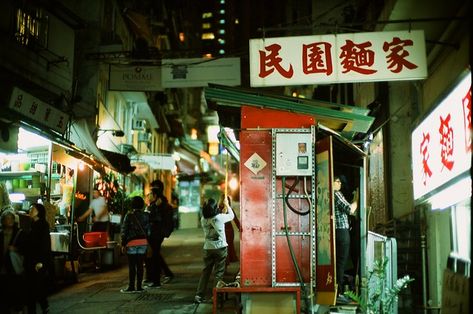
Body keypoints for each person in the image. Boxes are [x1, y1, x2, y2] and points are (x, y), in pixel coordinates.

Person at [194, 195, 235, 304]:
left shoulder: (203, 219)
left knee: (205, 272)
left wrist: (223, 210)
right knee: (218, 273)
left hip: (208, 248)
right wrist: (227, 205)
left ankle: (199, 295)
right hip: (220, 248)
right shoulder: (219, 218)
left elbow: (217, 215)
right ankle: (215, 296)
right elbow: (231, 216)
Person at [333, 175, 358, 303]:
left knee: (339, 262)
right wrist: (358, 198)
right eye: (337, 181)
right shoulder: (336, 194)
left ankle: (338, 291)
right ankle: (338, 293)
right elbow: (350, 209)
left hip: (337, 232)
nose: (339, 184)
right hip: (342, 231)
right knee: (341, 262)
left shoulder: (332, 195)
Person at [25, 203, 53, 314]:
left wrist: (40, 261)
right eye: (30, 209)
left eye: (33, 209)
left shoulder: (42, 225)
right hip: (31, 260)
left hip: (39, 261)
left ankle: (43, 306)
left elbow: (44, 244)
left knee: (36, 287)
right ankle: (40, 307)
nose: (31, 211)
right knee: (33, 287)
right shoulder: (32, 225)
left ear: (39, 212)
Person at [145, 187, 174, 288]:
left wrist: (152, 208)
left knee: (154, 257)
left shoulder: (158, 206)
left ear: (155, 195)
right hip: (157, 234)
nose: (148, 196)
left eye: (150, 194)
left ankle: (156, 280)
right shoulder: (159, 205)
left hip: (155, 234)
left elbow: (154, 218)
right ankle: (155, 277)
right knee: (154, 255)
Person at [120, 196, 150, 293]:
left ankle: (131, 286)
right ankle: (139, 287)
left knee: (132, 266)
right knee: (140, 265)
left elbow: (124, 230)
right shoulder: (146, 215)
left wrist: (123, 243)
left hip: (131, 243)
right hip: (143, 243)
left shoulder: (129, 216)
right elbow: (149, 230)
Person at [0, 210, 27, 313]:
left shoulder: (19, 233)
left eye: (11, 218)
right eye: (7, 219)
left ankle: (18, 309)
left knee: (16, 291)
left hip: (14, 268)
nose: (9, 220)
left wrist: (16, 249)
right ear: (3, 221)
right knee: (5, 293)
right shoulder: (1, 234)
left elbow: (26, 249)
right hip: (3, 268)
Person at [222, 195, 240, 266]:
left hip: (225, 230)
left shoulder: (219, 209)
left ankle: (226, 262)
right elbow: (235, 219)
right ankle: (227, 261)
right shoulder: (227, 209)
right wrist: (239, 227)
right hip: (227, 230)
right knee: (228, 247)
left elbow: (235, 219)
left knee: (226, 247)